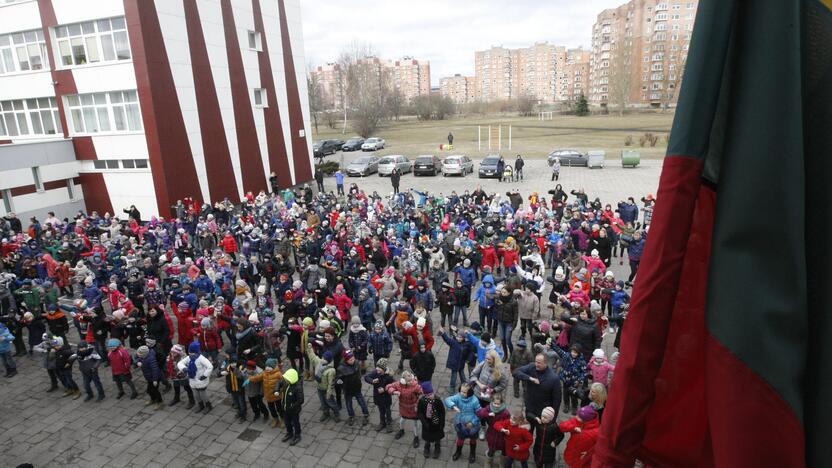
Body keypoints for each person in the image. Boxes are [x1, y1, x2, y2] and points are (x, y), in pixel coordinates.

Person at [512, 353, 562, 430]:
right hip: (530, 409)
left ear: (545, 363)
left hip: (543, 413)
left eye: (539, 363)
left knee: (540, 435)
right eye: (535, 361)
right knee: (528, 431)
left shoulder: (554, 379)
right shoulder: (532, 367)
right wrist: (529, 378)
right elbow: (515, 372)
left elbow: (557, 400)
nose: (536, 364)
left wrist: (553, 418)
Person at [444, 382, 482, 463]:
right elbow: (447, 400)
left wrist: (472, 423)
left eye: (464, 392)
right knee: (460, 439)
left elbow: (479, 414)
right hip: (460, 424)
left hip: (473, 426)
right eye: (461, 391)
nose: (461, 393)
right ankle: (458, 452)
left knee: (473, 439)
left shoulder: (475, 400)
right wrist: (453, 406)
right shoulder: (458, 397)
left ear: (469, 392)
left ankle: (472, 453)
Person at [386, 370, 423, 448]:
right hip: (403, 408)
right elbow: (388, 387)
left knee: (415, 424)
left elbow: (421, 394)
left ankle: (416, 437)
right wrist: (394, 392)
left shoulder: (415, 385)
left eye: (411, 378)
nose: (411, 380)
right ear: (403, 379)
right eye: (408, 379)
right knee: (402, 421)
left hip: (413, 409)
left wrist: (417, 405)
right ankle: (401, 431)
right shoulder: (399, 384)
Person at [336, 348, 370, 426]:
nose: (352, 360)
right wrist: (343, 385)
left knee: (361, 401)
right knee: (349, 403)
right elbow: (338, 380)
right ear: (346, 360)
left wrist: (358, 380)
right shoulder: (341, 368)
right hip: (347, 390)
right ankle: (351, 416)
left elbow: (359, 373)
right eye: (350, 359)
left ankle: (366, 414)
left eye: (353, 358)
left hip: (357, 387)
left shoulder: (356, 363)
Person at [178, 341, 213, 413]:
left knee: (203, 394)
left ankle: (208, 405)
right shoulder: (189, 358)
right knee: (196, 394)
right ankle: (200, 405)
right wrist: (184, 368)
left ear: (197, 352)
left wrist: (205, 375)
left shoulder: (201, 358)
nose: (191, 354)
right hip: (192, 379)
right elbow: (180, 363)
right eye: (190, 352)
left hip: (200, 379)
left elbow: (210, 366)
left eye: (192, 352)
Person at [307, 344, 340, 423]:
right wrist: (309, 349)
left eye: (324, 359)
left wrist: (329, 393)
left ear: (328, 361)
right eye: (322, 357)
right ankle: (326, 413)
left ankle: (336, 413)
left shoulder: (331, 370)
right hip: (319, 388)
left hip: (326, 389)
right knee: (323, 402)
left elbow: (331, 383)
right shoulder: (319, 362)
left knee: (330, 402)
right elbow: (313, 357)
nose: (322, 359)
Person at [476, 392, 510, 465]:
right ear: (492, 402)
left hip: (502, 434)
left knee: (504, 449)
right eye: (495, 403)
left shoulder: (505, 413)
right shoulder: (489, 408)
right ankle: (488, 462)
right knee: (491, 448)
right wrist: (488, 414)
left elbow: (508, 423)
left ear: (502, 403)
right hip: (492, 432)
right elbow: (480, 413)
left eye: (498, 404)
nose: (497, 406)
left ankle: (502, 463)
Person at [416, 381, 446, 459]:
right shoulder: (422, 401)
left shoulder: (437, 400)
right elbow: (420, 413)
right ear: (425, 395)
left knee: (437, 437)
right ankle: (427, 447)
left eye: (431, 394)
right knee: (427, 437)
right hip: (427, 424)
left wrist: (442, 423)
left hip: (437, 423)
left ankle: (437, 447)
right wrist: (424, 423)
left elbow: (442, 412)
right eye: (428, 395)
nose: (431, 396)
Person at [364, 358, 395, 432]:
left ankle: (389, 423)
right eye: (377, 367)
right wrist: (372, 381)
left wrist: (384, 389)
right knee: (381, 411)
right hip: (378, 396)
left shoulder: (389, 376)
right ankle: (382, 422)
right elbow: (366, 377)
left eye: (379, 368)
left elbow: (392, 385)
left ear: (383, 369)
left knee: (387, 410)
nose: (377, 369)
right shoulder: (375, 373)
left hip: (386, 397)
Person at [277, 368, 304, 445]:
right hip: (285, 409)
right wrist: (277, 390)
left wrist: (293, 406)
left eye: (286, 379)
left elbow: (301, 400)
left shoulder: (298, 388)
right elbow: (279, 382)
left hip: (294, 410)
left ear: (291, 379)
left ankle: (297, 435)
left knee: (295, 423)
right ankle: (289, 433)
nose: (285, 380)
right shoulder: (286, 383)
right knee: (287, 422)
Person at [136, 345, 164, 409]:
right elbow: (139, 359)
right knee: (149, 390)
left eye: (139, 354)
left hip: (154, 378)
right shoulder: (144, 356)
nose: (138, 355)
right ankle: (153, 399)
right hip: (149, 377)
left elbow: (155, 370)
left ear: (144, 354)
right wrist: (138, 362)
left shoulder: (151, 359)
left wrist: (155, 380)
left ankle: (160, 402)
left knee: (154, 390)